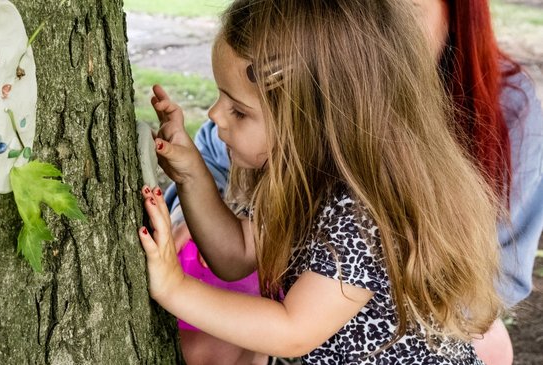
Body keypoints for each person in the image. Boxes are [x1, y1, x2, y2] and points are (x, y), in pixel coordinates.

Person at [163, 0, 543, 363]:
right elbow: (235, 255)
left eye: (239, 111)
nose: (214, 116)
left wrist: (176, 289)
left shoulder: (361, 216)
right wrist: (191, 173)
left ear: (310, 121)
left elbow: (293, 330)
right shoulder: (308, 182)